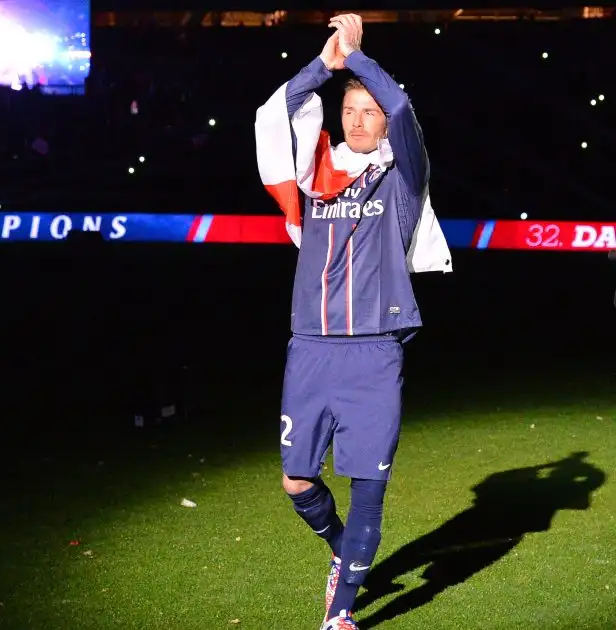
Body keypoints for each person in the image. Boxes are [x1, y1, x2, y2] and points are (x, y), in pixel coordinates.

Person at [253, 13, 452, 630]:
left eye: (370, 112)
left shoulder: (401, 179)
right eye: (349, 110)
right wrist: (326, 67)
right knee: (295, 480)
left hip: (373, 353)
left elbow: (402, 104)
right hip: (309, 349)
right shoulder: (313, 180)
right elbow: (279, 110)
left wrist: (361, 58)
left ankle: (341, 614)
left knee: (368, 485)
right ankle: (343, 549)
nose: (359, 119)